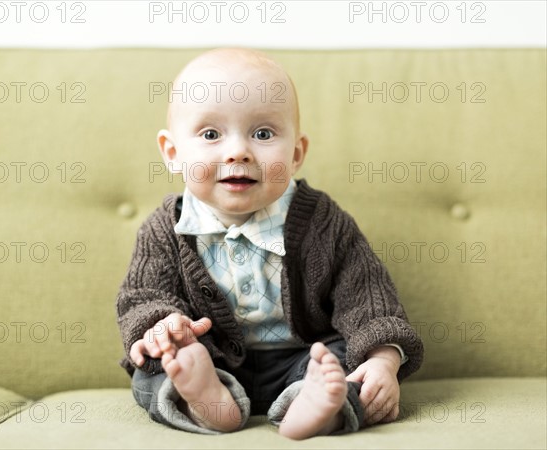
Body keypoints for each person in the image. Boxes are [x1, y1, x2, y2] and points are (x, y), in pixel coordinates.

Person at [116, 48, 423, 440]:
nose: (238, 151)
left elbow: (367, 295)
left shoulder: (322, 222)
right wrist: (164, 327)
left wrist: (383, 361)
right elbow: (142, 295)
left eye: (263, 134)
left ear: (295, 154)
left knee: (342, 364)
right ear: (173, 153)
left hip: (303, 358)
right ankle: (206, 401)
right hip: (211, 358)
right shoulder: (166, 229)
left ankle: (317, 406)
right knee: (153, 369)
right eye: (211, 135)